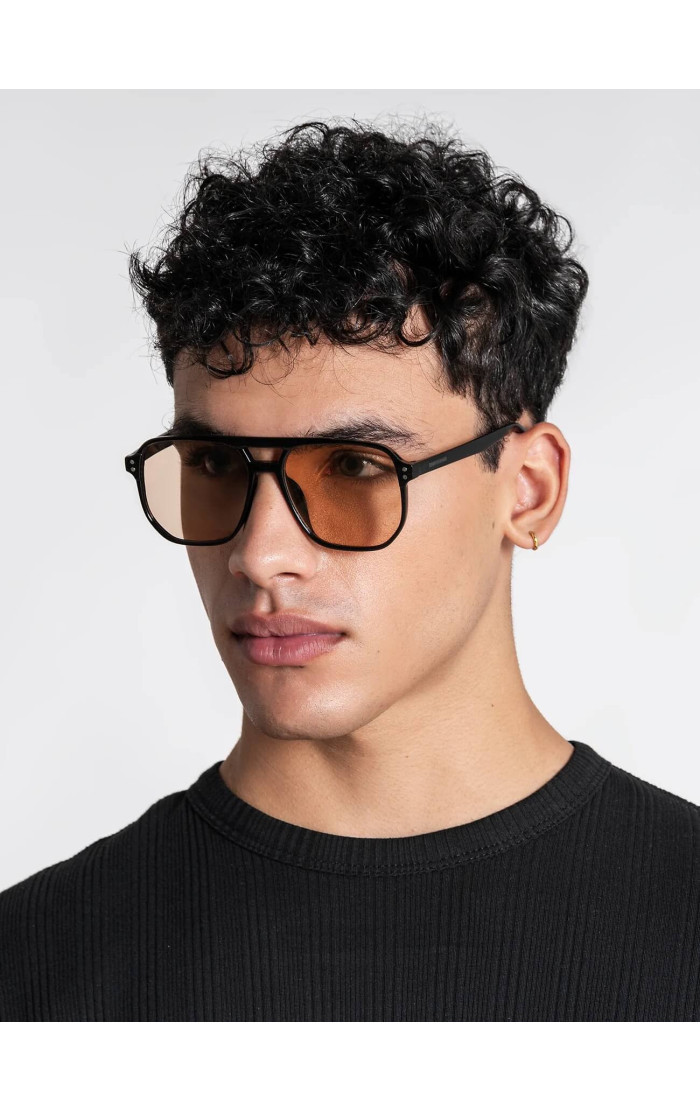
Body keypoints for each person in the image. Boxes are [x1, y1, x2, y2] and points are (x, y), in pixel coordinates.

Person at [1, 118, 697, 1022]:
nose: (259, 555)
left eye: (355, 469)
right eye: (213, 465)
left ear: (529, 491)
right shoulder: (33, 968)